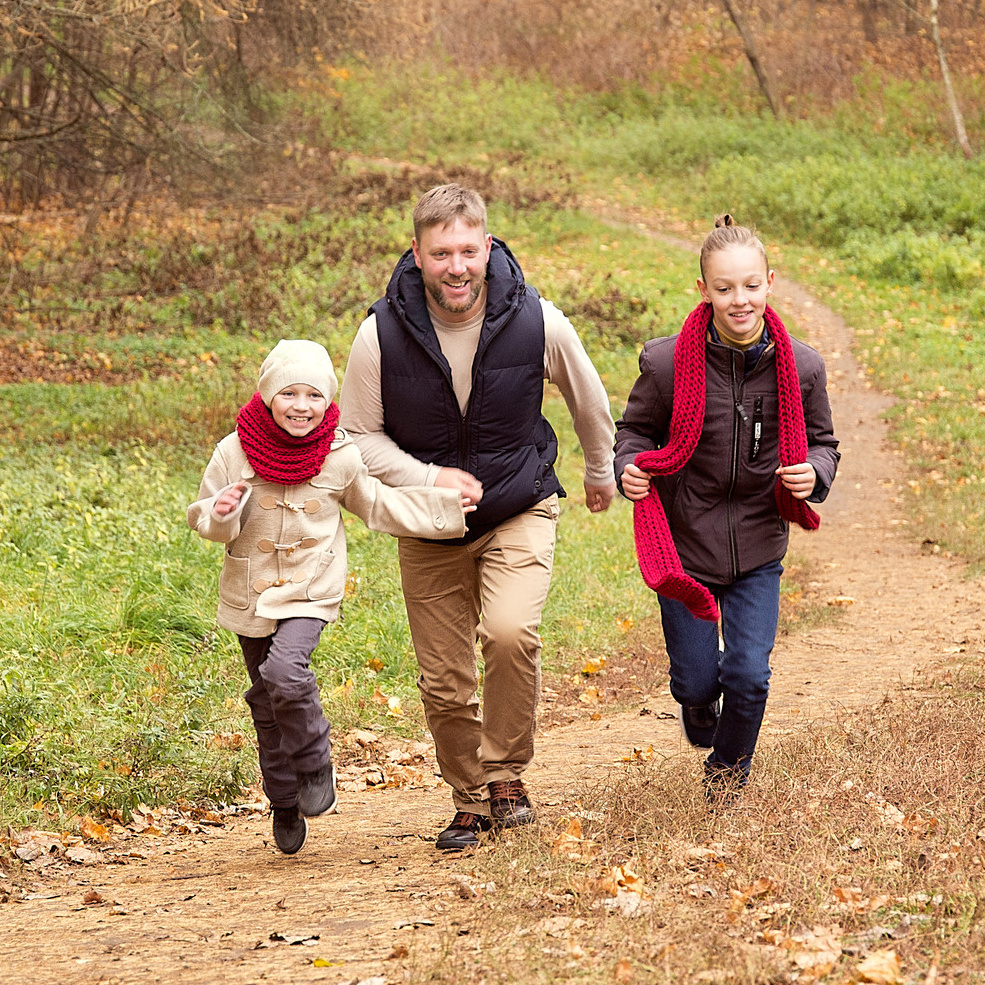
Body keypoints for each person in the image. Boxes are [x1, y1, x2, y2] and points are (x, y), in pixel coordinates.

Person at [338, 184, 616, 850]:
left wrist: (600, 468)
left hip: (518, 503)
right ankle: (469, 798)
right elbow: (357, 436)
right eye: (441, 253)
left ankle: (506, 776)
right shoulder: (380, 333)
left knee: (511, 632)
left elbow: (587, 397)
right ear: (417, 254)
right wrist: (429, 477)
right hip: (426, 523)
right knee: (444, 680)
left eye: (467, 250)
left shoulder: (536, 320)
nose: (456, 267)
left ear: (487, 247)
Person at [187, 339, 470, 855]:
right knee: (266, 702)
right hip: (251, 592)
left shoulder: (339, 455)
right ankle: (283, 800)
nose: (302, 406)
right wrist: (221, 511)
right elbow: (206, 518)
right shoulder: (234, 450)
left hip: (310, 588)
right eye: (289, 393)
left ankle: (316, 763)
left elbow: (378, 504)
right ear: (268, 396)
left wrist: (445, 508)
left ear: (328, 400)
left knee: (284, 673)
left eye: (314, 395)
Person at [614, 214, 839, 803]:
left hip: (759, 547)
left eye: (751, 285)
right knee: (695, 681)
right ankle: (695, 702)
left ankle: (727, 774)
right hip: (685, 546)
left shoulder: (802, 367)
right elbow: (633, 432)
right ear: (704, 290)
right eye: (724, 287)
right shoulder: (666, 363)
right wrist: (628, 467)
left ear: (770, 282)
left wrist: (815, 472)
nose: (740, 300)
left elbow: (824, 443)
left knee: (749, 675)